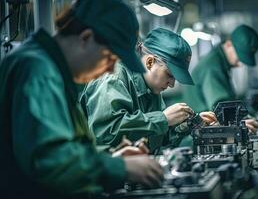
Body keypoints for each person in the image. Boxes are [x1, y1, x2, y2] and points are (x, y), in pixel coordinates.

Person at [0, 0, 163, 198]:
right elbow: (52, 162)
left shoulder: (52, 70)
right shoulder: (39, 71)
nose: (111, 69)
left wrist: (109, 157)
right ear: (86, 38)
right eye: (110, 59)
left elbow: (62, 148)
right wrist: (120, 168)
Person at [80, 28, 217, 152]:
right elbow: (107, 133)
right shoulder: (113, 78)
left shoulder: (152, 90)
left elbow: (155, 139)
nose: (172, 85)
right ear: (150, 62)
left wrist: (187, 125)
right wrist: (163, 119)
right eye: (170, 75)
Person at [182, 24, 258, 132]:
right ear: (228, 44)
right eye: (239, 59)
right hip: (198, 134)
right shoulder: (212, 67)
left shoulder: (220, 63)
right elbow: (220, 107)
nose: (240, 65)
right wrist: (241, 123)